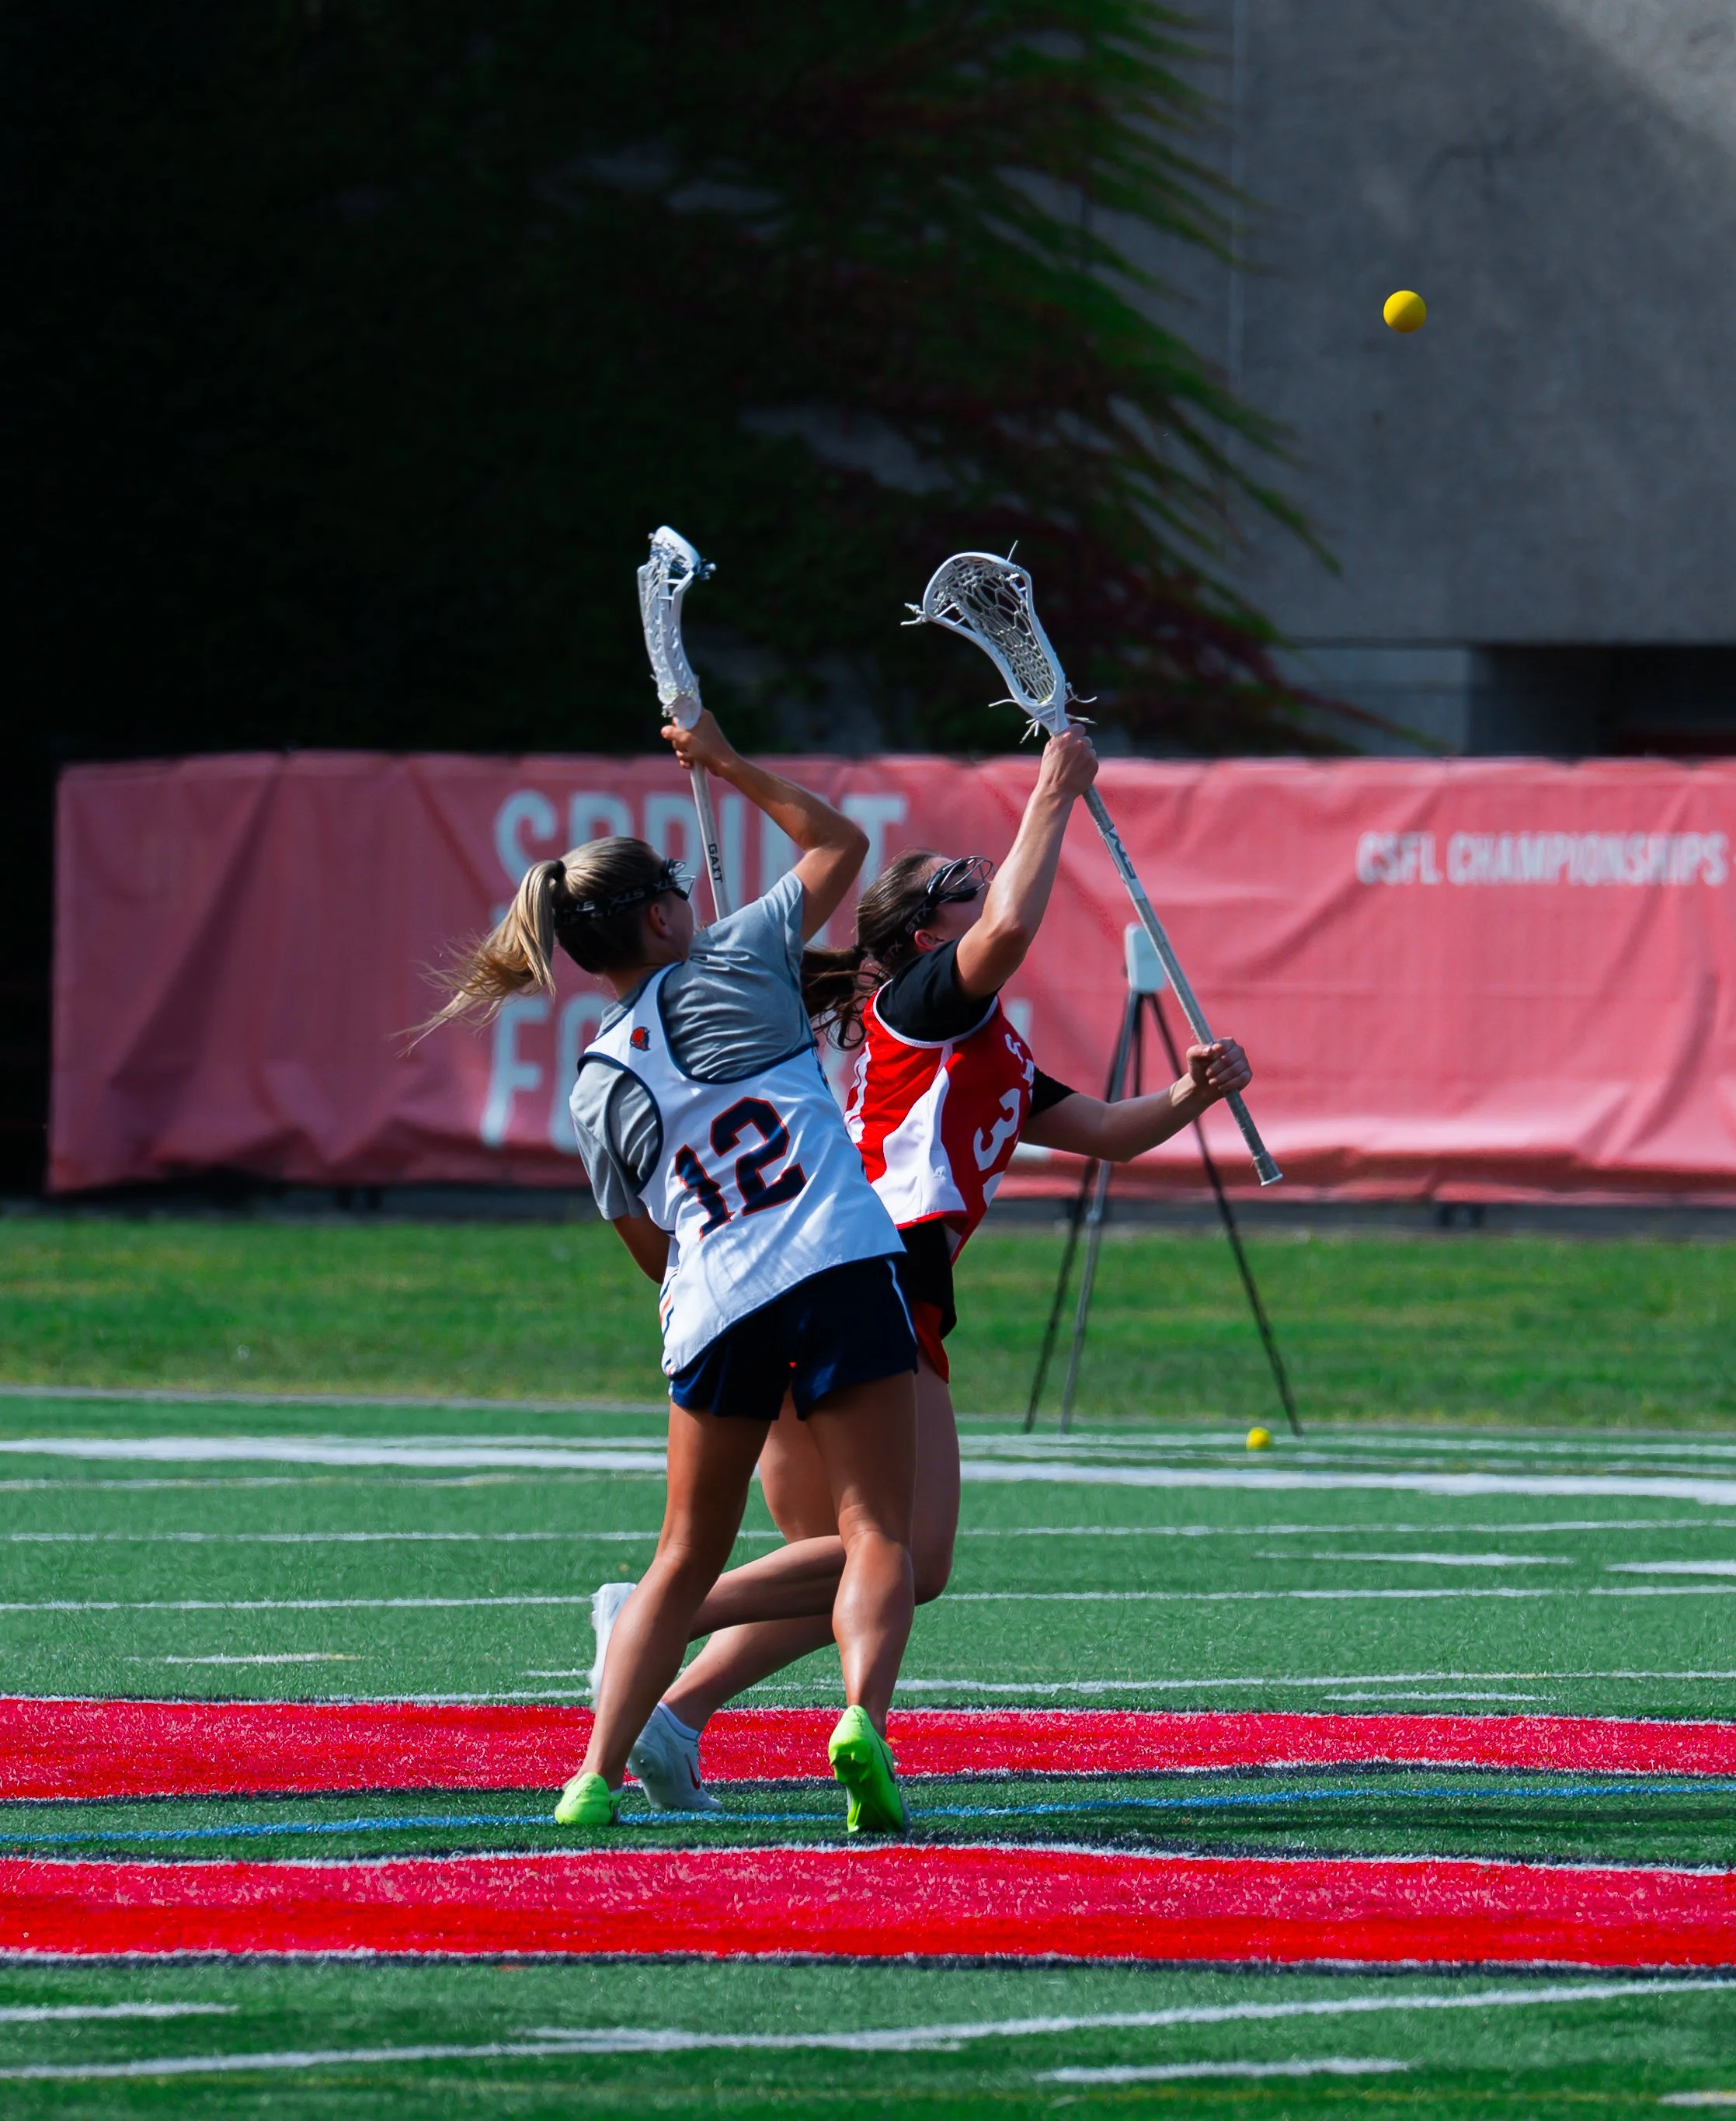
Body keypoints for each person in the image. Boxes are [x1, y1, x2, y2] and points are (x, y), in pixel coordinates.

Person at [610, 725, 1253, 1787]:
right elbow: (1004, 932)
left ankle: (670, 1715)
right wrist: (1052, 792)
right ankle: (648, 1624)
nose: (983, 885)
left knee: (851, 1569)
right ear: (917, 938)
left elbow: (1104, 1130)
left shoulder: (979, 1043)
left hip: (793, 1278)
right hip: (875, 1275)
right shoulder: (920, 1007)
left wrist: (1192, 1094)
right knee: (910, 1561)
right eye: (960, 884)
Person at [426, 711, 920, 1834]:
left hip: (708, 1302)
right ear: (658, 911)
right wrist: (727, 763)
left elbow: (645, 1240)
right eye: (676, 897)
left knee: (682, 1555)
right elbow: (837, 843)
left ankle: (591, 1778)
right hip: (833, 1259)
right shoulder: (741, 957)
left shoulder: (595, 1081)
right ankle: (860, 1723)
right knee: (876, 1531)